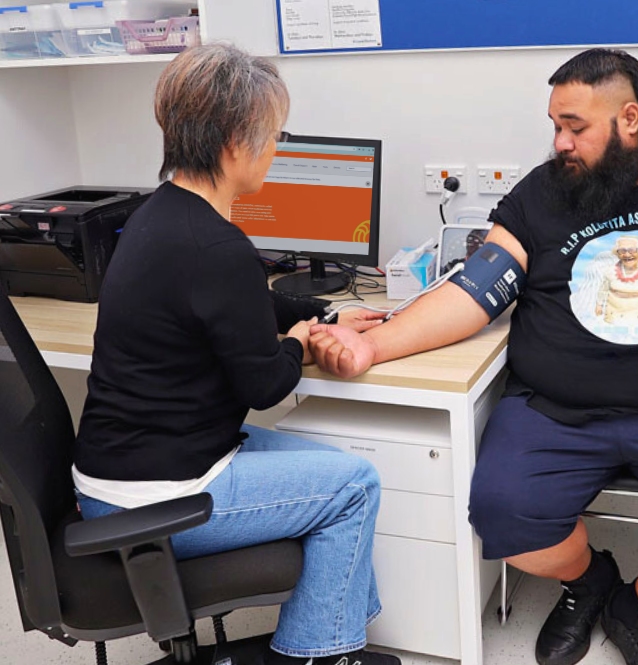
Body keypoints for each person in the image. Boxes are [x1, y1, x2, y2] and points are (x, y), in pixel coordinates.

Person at [309, 48, 638, 665]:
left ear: (631, 119)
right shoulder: (546, 191)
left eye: (576, 127)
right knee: (502, 512)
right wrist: (372, 344)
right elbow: (476, 289)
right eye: (555, 125)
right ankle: (588, 582)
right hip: (556, 410)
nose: (561, 143)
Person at [71, 44, 395, 665]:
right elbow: (266, 386)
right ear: (233, 145)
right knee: (355, 484)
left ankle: (338, 633)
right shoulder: (217, 247)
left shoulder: (158, 214)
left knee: (334, 465)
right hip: (156, 496)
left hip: (120, 469)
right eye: (274, 135)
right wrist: (302, 343)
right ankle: (314, 654)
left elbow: (238, 306)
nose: (278, 147)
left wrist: (321, 315)